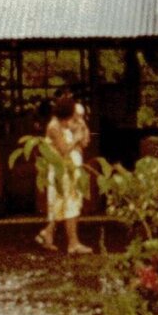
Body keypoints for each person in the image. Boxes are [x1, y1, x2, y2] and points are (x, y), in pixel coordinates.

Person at [35, 92, 92, 254]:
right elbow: (63, 150)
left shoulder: (66, 124)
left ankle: (47, 233)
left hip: (72, 168)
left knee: (62, 205)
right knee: (69, 206)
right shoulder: (54, 127)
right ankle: (73, 243)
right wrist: (76, 139)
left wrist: (81, 125)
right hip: (62, 171)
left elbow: (85, 141)